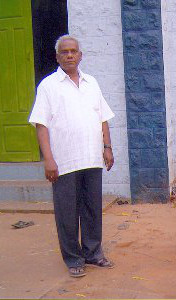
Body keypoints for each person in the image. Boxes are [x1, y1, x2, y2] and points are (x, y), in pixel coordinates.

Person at [29, 35, 115, 278]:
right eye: (64, 52)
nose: (69, 55)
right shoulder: (48, 86)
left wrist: (107, 147)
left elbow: (102, 118)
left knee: (92, 208)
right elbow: (41, 125)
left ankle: (93, 253)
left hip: (92, 157)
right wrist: (48, 159)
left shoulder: (92, 83)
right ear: (57, 57)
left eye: (73, 51)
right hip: (64, 161)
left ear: (80, 55)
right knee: (67, 212)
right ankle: (73, 258)